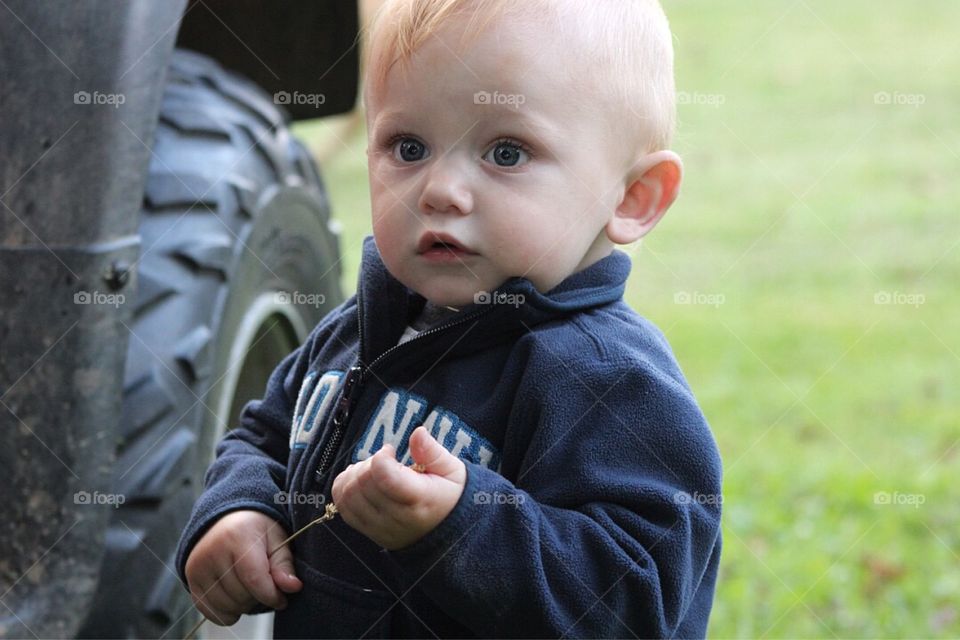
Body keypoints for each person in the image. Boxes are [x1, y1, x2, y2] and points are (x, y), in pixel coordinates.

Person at [176, 0, 723, 636]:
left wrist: (462, 525)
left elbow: (638, 604)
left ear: (632, 198)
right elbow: (265, 437)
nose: (439, 190)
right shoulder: (360, 329)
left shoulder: (611, 383)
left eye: (507, 153)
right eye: (408, 146)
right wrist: (237, 510)